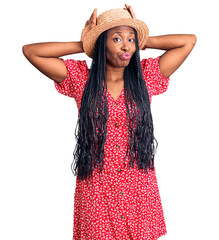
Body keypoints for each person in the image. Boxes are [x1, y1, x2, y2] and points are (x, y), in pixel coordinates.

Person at [22, 4, 197, 240]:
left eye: (130, 40)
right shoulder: (81, 80)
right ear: (101, 44)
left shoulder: (146, 77)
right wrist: (85, 43)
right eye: (116, 39)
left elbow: (189, 41)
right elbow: (31, 51)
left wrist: (142, 39)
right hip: (97, 188)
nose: (126, 46)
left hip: (138, 187)